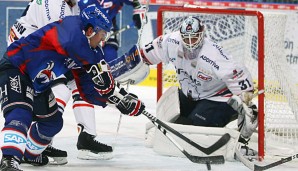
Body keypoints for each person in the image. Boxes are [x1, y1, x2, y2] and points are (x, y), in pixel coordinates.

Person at [0, 5, 145, 171]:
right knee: (20, 112)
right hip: (16, 68)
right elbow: (72, 43)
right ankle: (9, 160)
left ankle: (29, 154)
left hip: (39, 83)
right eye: (102, 34)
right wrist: (101, 75)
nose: (103, 40)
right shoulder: (71, 26)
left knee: (52, 122)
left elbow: (88, 90)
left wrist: (118, 101)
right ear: (90, 30)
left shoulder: (89, 52)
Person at [140, 16, 258, 144]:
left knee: (194, 134)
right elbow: (144, 55)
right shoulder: (171, 42)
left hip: (218, 98)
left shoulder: (212, 55)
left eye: (194, 37)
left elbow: (238, 73)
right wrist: (131, 67)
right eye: (186, 38)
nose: (190, 42)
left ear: (202, 34)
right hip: (192, 94)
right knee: (171, 122)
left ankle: (230, 114)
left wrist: (246, 101)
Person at [6, 0, 79, 165]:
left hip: (30, 49)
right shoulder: (54, 4)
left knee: (55, 92)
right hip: (23, 54)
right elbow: (58, 42)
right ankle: (28, 147)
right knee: (57, 90)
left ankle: (39, 143)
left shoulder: (71, 6)